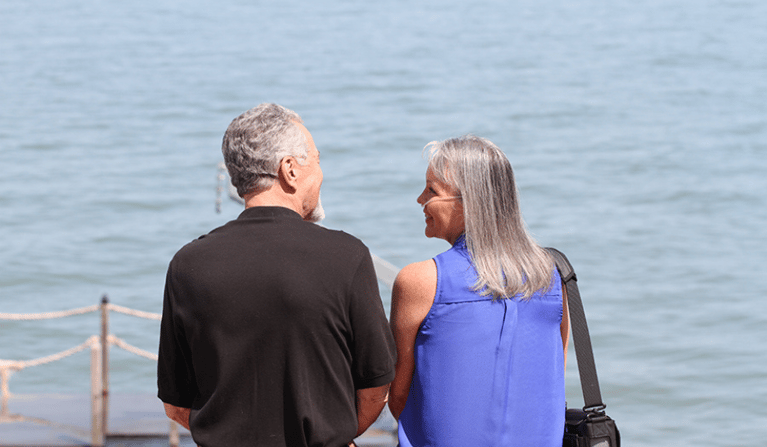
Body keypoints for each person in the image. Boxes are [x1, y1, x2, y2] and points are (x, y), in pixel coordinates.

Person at [157, 103, 396, 447]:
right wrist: (332, 434)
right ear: (290, 170)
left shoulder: (187, 264)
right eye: (316, 159)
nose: (321, 173)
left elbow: (176, 404)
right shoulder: (347, 257)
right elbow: (375, 388)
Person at [388, 135, 569, 447]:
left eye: (432, 190)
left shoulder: (421, 281)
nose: (421, 199)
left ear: (468, 202)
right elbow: (552, 379)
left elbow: (397, 396)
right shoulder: (553, 274)